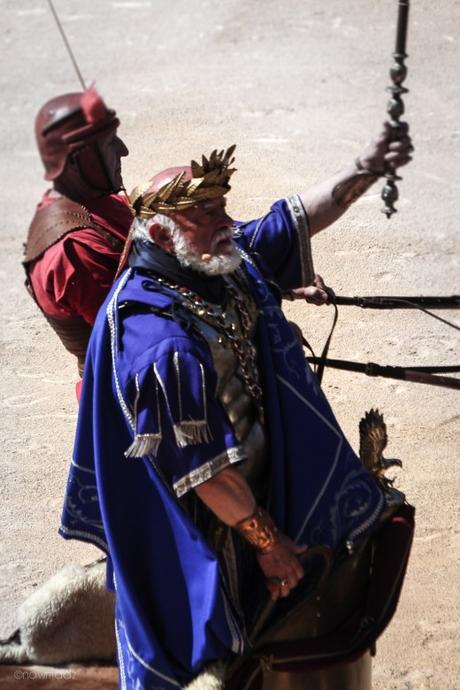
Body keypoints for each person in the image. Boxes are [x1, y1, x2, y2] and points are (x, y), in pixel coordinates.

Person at [60, 127, 413, 690]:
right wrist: (269, 545)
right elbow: (207, 475)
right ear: (158, 233)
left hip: (256, 478)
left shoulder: (214, 258)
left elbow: (287, 221)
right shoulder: (158, 343)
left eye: (222, 206)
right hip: (205, 524)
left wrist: (364, 168)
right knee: (219, 660)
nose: (226, 222)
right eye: (207, 214)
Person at [22, 86, 133, 381]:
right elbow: (132, 334)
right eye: (110, 143)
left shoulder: (97, 201)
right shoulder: (74, 249)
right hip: (125, 389)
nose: (123, 150)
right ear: (77, 160)